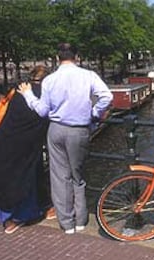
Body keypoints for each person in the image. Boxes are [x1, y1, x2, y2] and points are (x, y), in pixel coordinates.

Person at [18, 43, 113, 234]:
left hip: (56, 129)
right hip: (80, 130)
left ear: (57, 57)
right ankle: (81, 219)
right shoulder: (89, 76)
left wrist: (28, 95)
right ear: (77, 56)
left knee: (60, 177)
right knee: (77, 175)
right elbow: (107, 97)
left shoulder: (50, 80)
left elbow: (43, 110)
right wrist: (93, 113)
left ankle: (67, 223)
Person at [0, 65, 51, 234]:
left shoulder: (17, 91)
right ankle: (18, 217)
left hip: (6, 139)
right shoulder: (44, 95)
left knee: (6, 176)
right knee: (23, 178)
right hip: (28, 144)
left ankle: (7, 215)